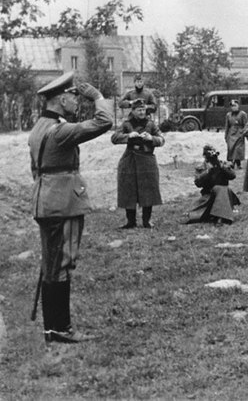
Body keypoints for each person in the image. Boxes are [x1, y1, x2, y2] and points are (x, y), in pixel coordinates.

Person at [28, 72, 112, 343]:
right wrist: (98, 97)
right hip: (63, 204)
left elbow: (35, 169)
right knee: (62, 263)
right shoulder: (61, 131)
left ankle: (53, 328)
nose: (77, 101)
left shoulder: (39, 127)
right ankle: (61, 329)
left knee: (52, 265)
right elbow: (104, 121)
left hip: (45, 201)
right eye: (74, 97)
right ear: (61, 99)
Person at [111, 98, 165, 228]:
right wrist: (128, 136)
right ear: (133, 111)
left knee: (148, 190)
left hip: (147, 160)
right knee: (128, 190)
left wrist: (151, 138)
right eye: (139, 110)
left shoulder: (151, 125)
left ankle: (147, 221)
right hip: (130, 159)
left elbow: (162, 140)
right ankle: (131, 221)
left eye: (143, 109)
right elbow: (114, 138)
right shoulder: (126, 124)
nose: (142, 112)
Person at [183, 144, 240, 224]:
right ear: (204, 156)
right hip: (209, 196)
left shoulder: (222, 164)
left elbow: (232, 176)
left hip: (224, 194)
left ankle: (220, 217)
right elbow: (198, 183)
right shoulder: (201, 167)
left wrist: (221, 167)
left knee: (221, 189)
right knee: (195, 216)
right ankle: (220, 215)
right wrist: (208, 172)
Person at [224, 100, 248, 169]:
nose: (233, 107)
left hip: (239, 133)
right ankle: (231, 163)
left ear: (238, 106)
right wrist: (226, 135)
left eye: (235, 106)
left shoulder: (242, 114)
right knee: (231, 148)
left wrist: (246, 134)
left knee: (238, 149)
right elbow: (227, 126)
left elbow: (245, 124)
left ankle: (238, 163)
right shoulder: (228, 115)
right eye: (232, 106)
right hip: (231, 134)